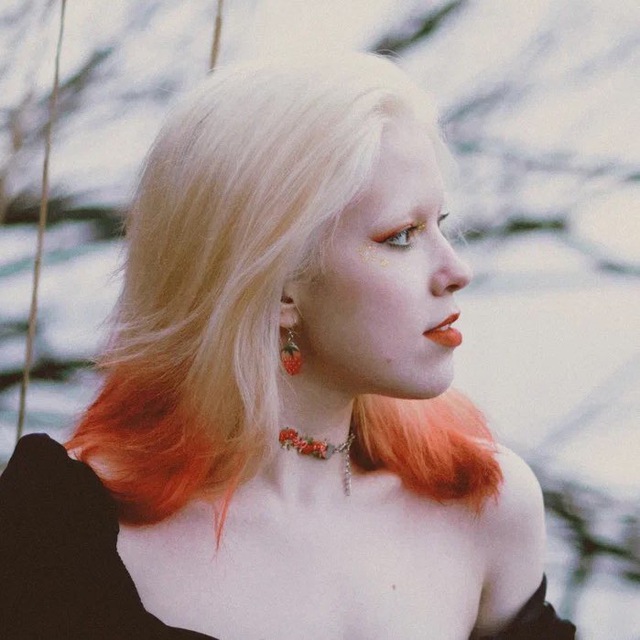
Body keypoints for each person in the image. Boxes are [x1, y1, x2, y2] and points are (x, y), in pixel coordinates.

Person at [0, 53, 576, 639]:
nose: (456, 270)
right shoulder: (55, 531)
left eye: (441, 224)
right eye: (401, 236)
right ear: (277, 287)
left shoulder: (486, 504)